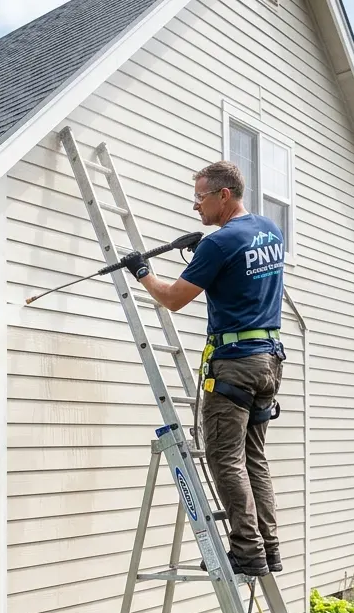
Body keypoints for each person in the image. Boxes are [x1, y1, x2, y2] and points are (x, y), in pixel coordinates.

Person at [117, 161, 285, 578]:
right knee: (253, 458)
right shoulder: (269, 231)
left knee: (224, 458)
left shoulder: (221, 244)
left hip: (235, 365)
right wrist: (205, 255)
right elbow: (241, 275)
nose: (196, 206)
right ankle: (269, 546)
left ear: (223, 195)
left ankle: (247, 552)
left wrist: (142, 273)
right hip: (268, 359)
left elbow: (173, 299)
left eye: (200, 197)